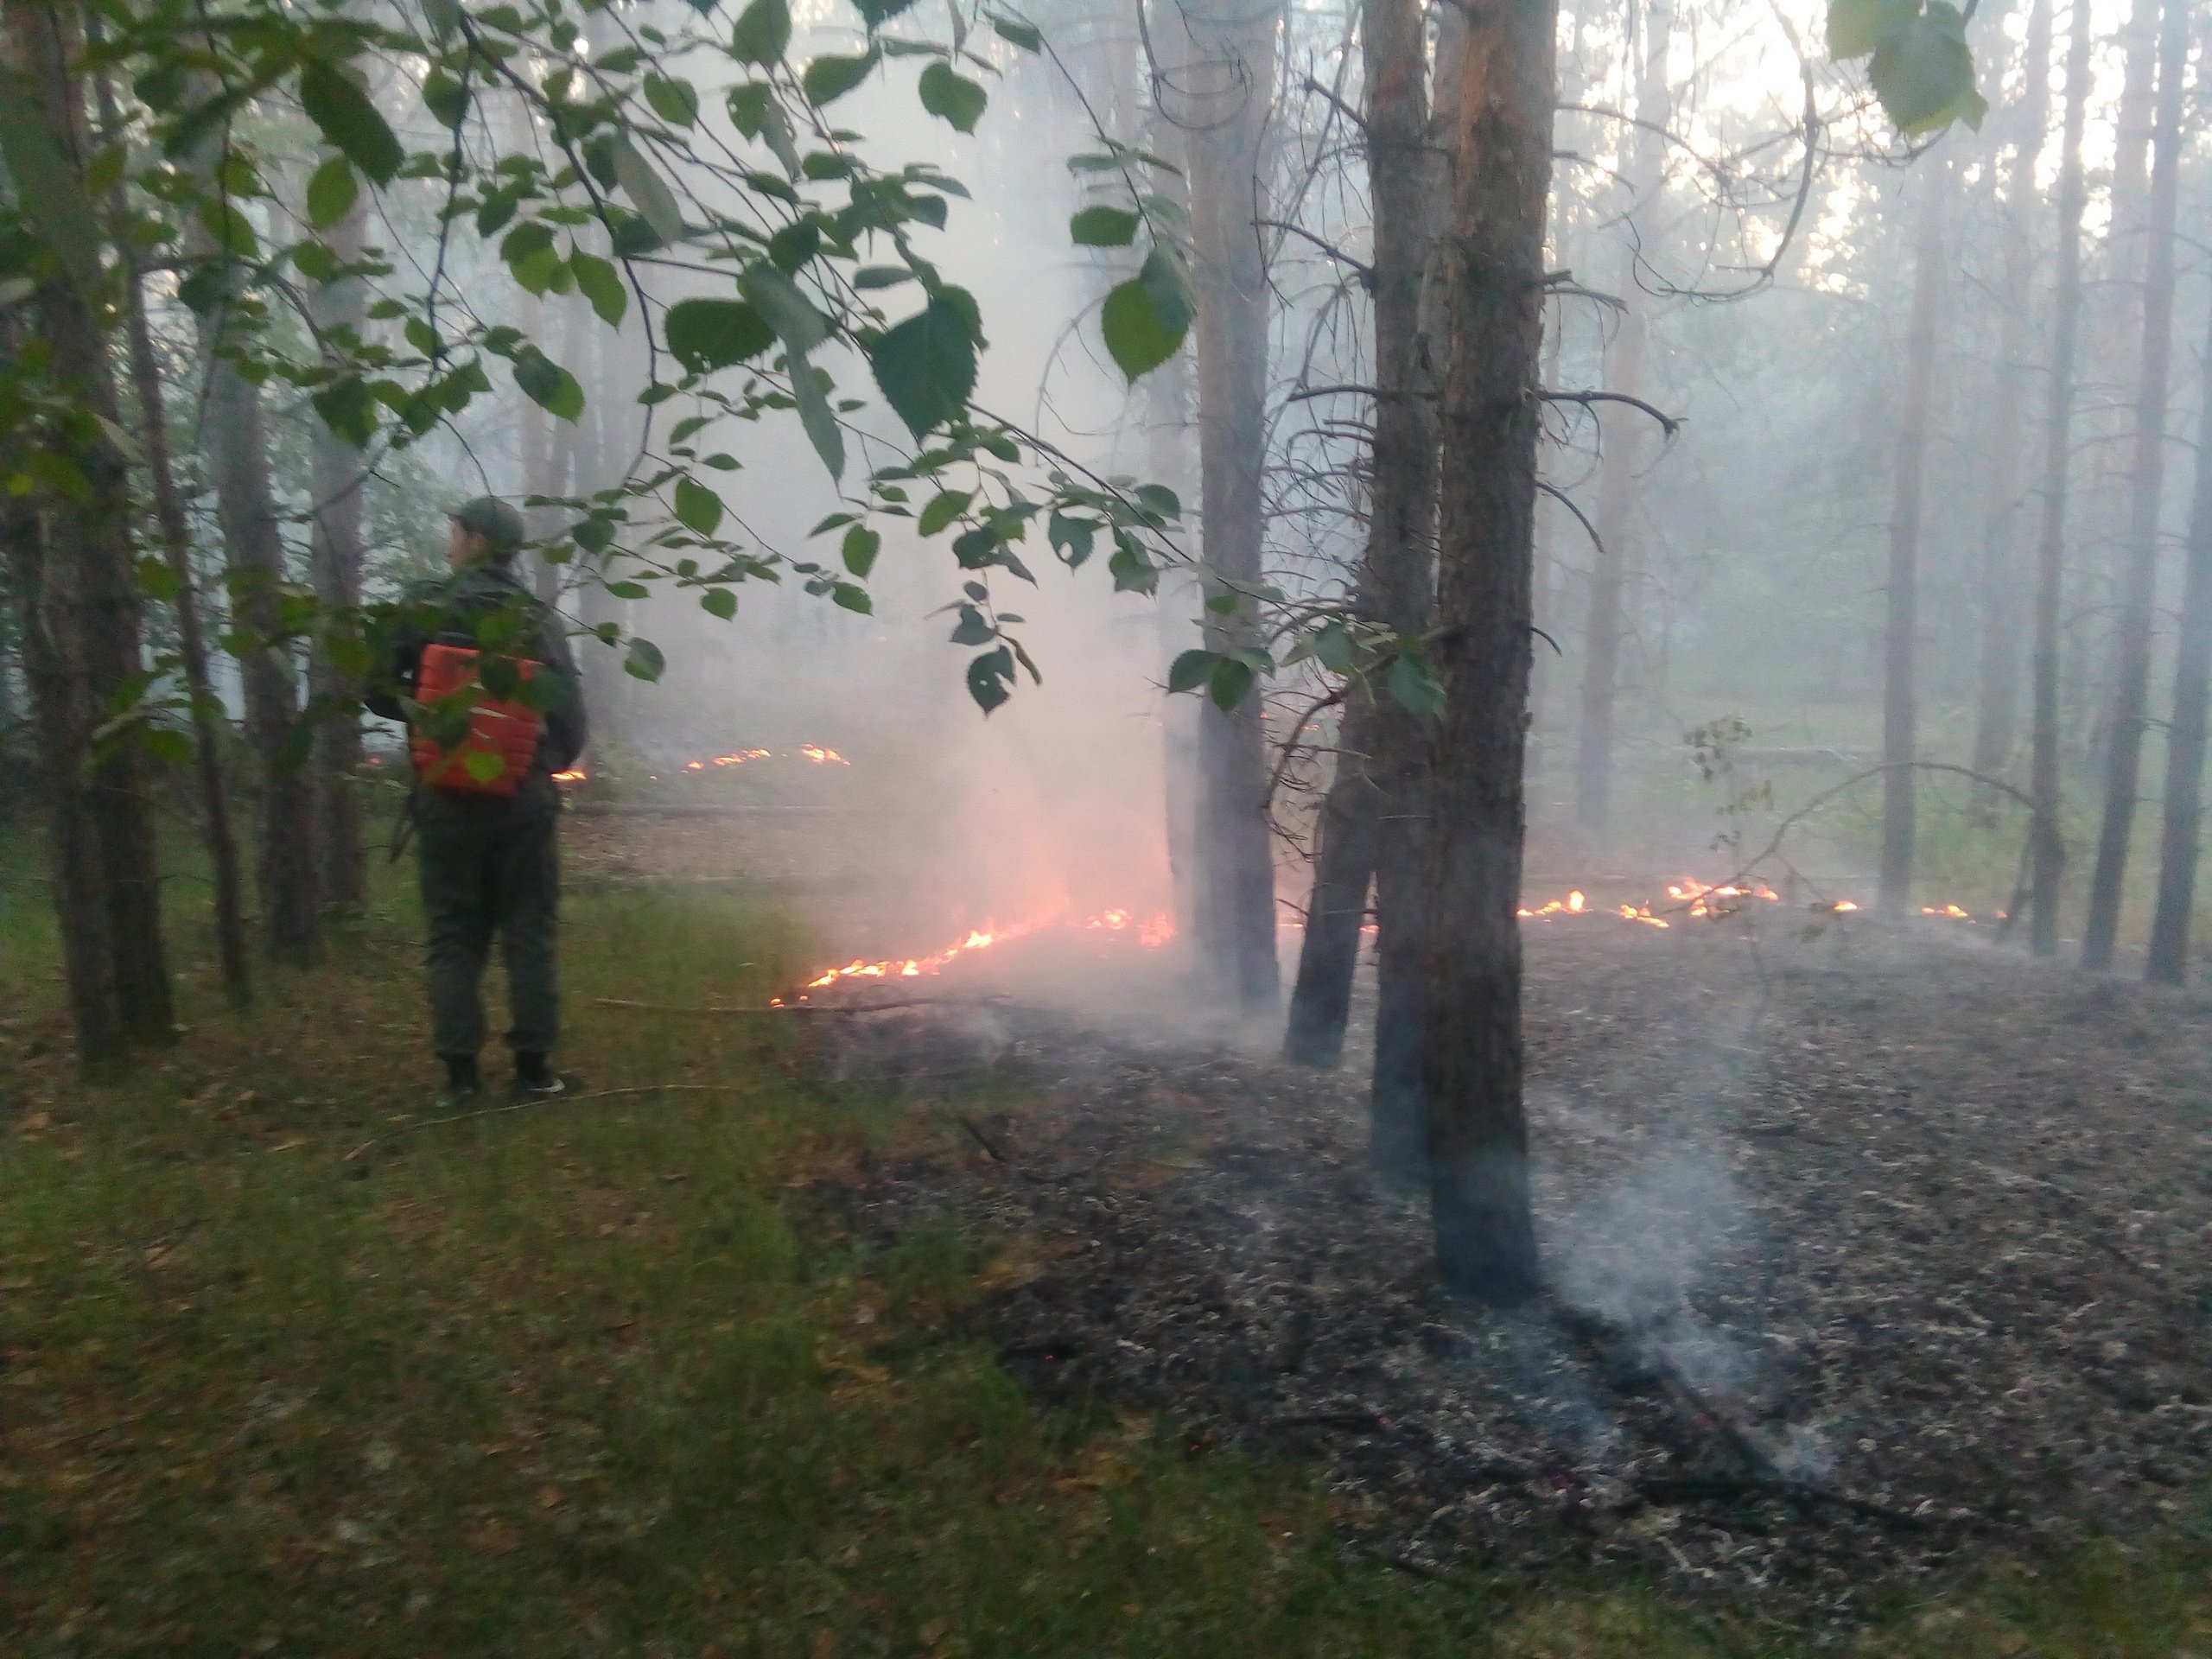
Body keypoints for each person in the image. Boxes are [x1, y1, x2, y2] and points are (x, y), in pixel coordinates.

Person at [367, 497, 588, 1103]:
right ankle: (534, 1074)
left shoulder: (423, 604)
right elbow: (568, 716)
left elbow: (378, 692)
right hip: (523, 799)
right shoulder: (536, 617)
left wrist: (428, 730)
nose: (450, 538)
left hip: (445, 799)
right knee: (529, 932)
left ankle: (461, 1080)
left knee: (455, 934)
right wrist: (540, 769)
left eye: (456, 529)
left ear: (476, 541)